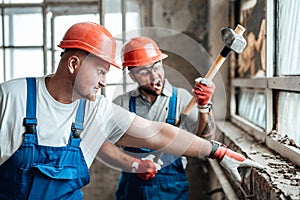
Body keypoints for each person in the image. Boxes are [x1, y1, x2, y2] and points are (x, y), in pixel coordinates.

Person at [0, 22, 263, 200]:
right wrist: (134, 164)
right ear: (73, 64)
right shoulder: (12, 97)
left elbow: (158, 133)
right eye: (101, 71)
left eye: (156, 66)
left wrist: (217, 151)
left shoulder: (96, 110)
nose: (104, 81)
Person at [98, 36, 216, 200]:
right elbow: (100, 143)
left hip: (172, 188)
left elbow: (207, 139)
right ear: (132, 76)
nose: (155, 77)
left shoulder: (181, 98)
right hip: (132, 187)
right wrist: (133, 164)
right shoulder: (121, 104)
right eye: (144, 72)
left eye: (157, 67)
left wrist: (204, 107)